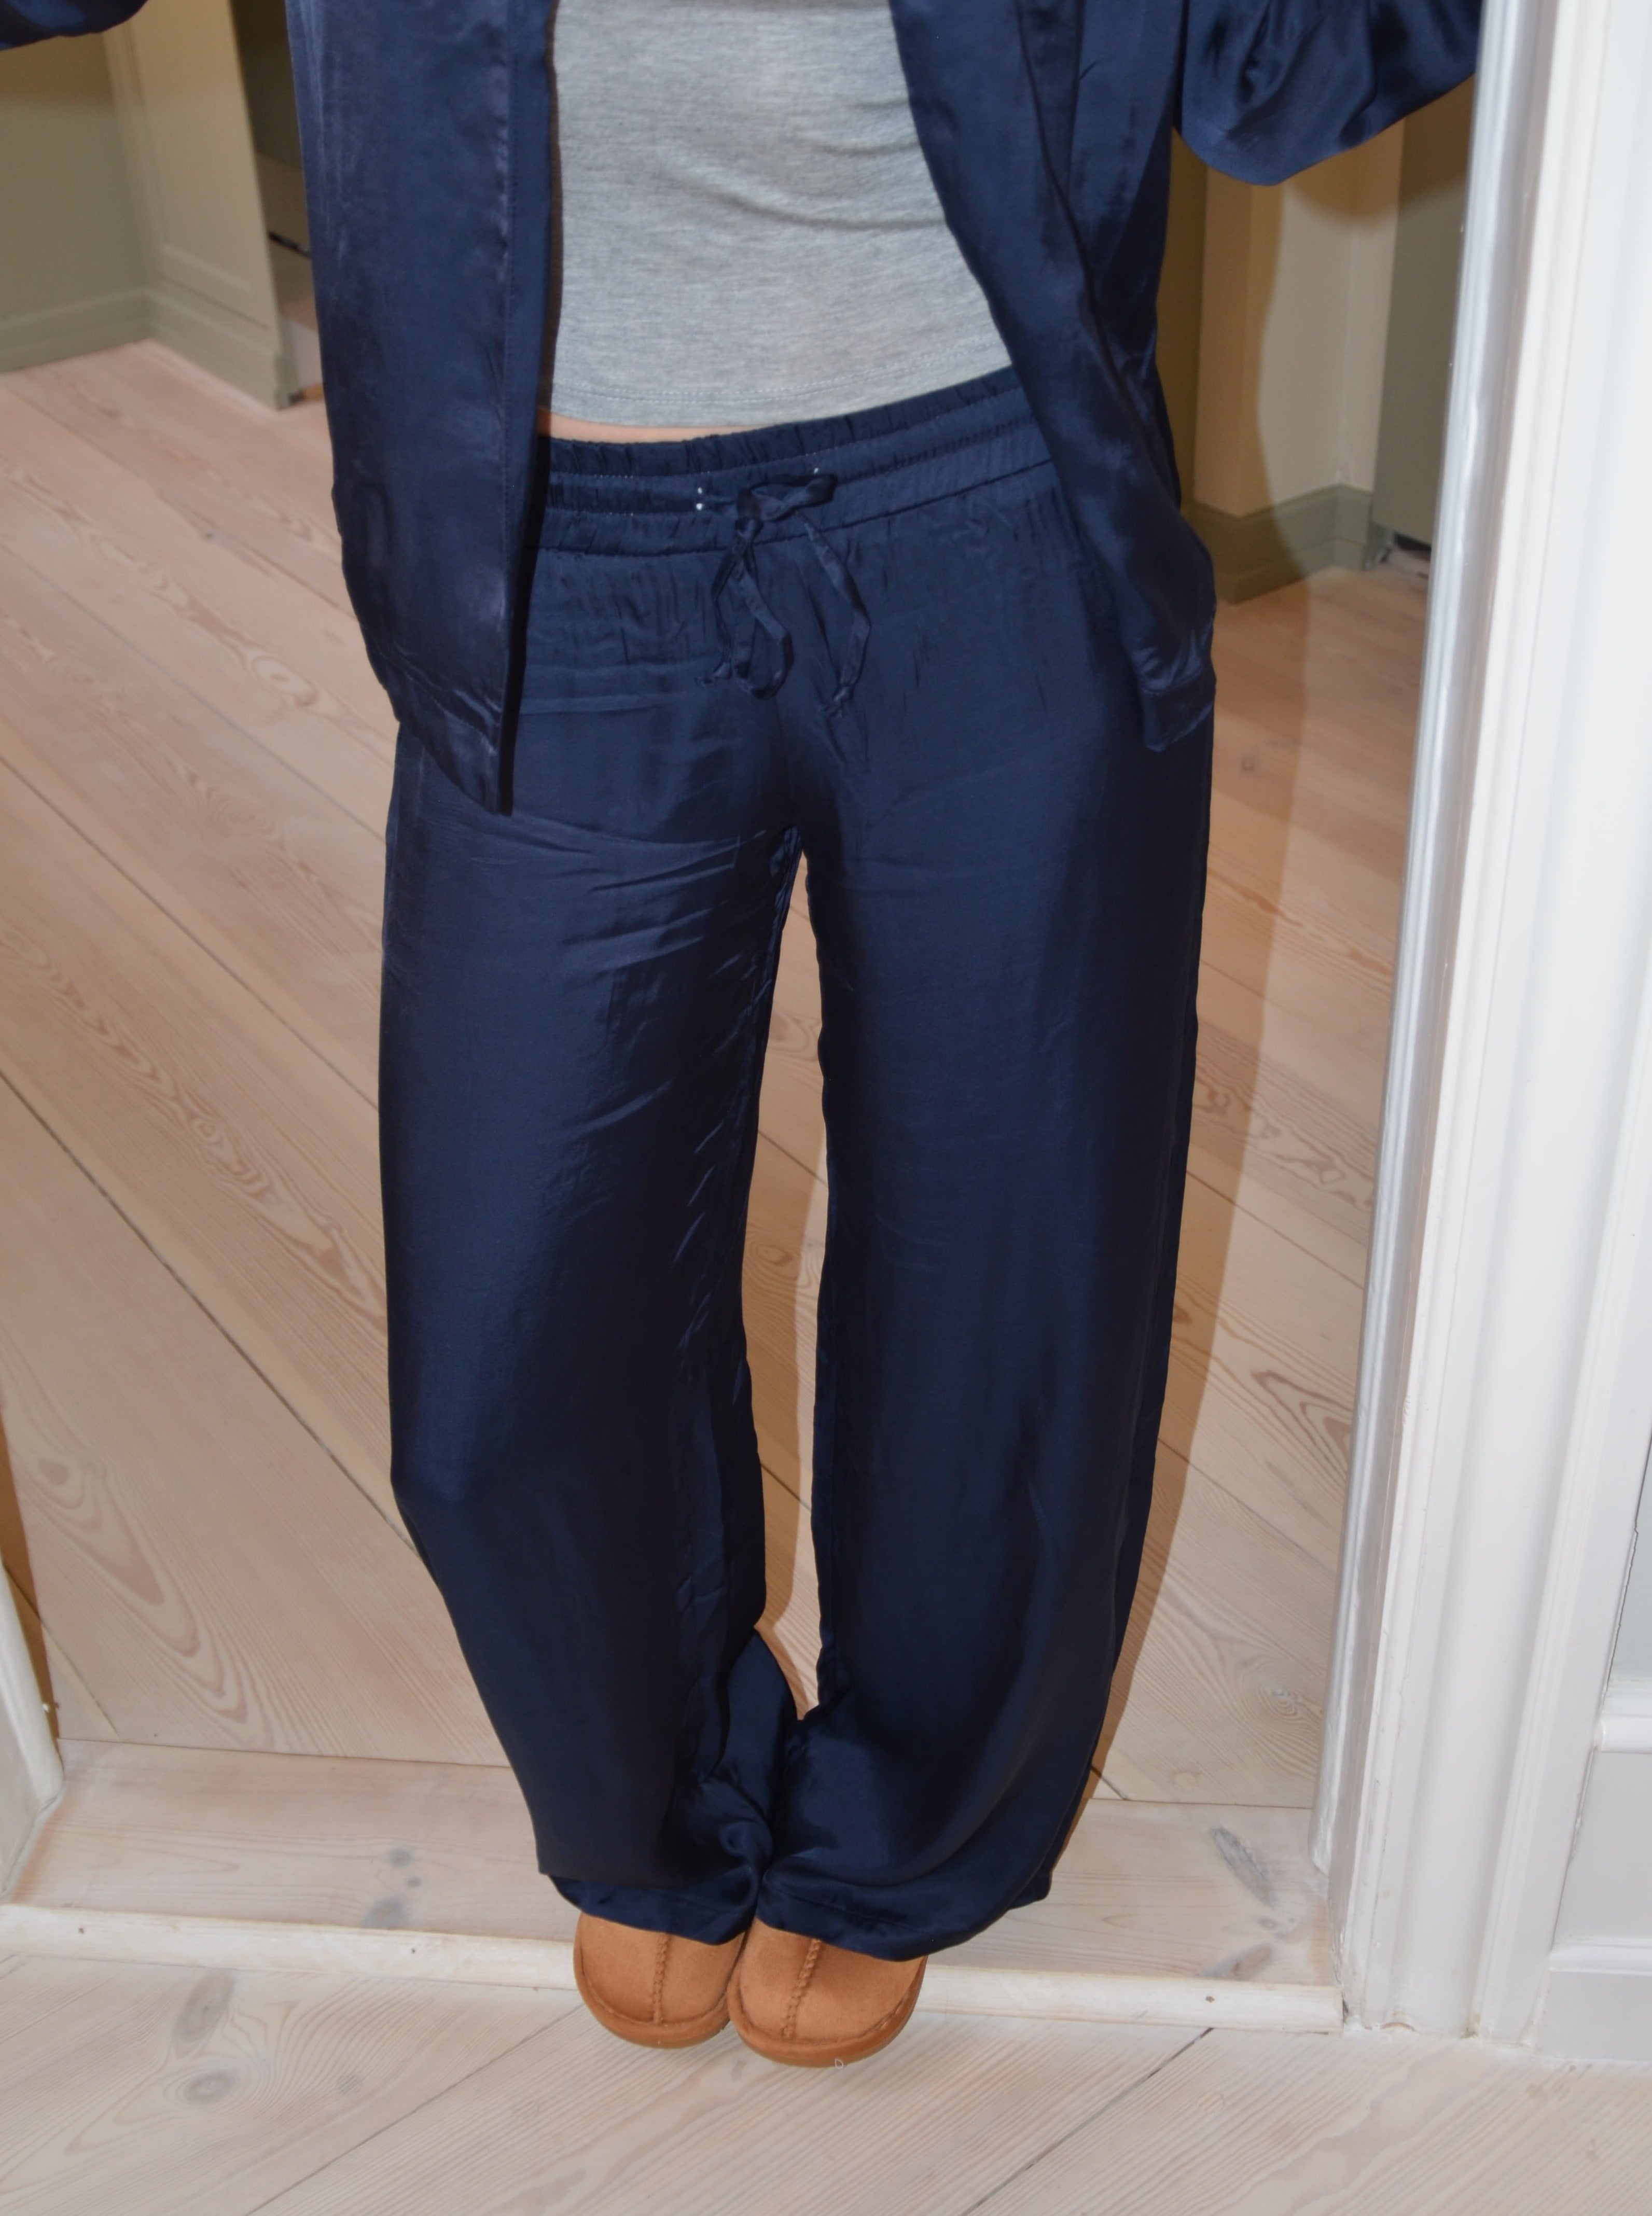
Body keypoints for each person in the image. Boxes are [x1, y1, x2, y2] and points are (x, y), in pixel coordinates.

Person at [3, 0, 1480, 2066]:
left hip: (991, 503)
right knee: (513, 1329)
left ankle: (905, 1831)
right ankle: (652, 1795)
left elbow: (1275, 74)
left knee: (1007, 1270)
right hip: (549, 554)